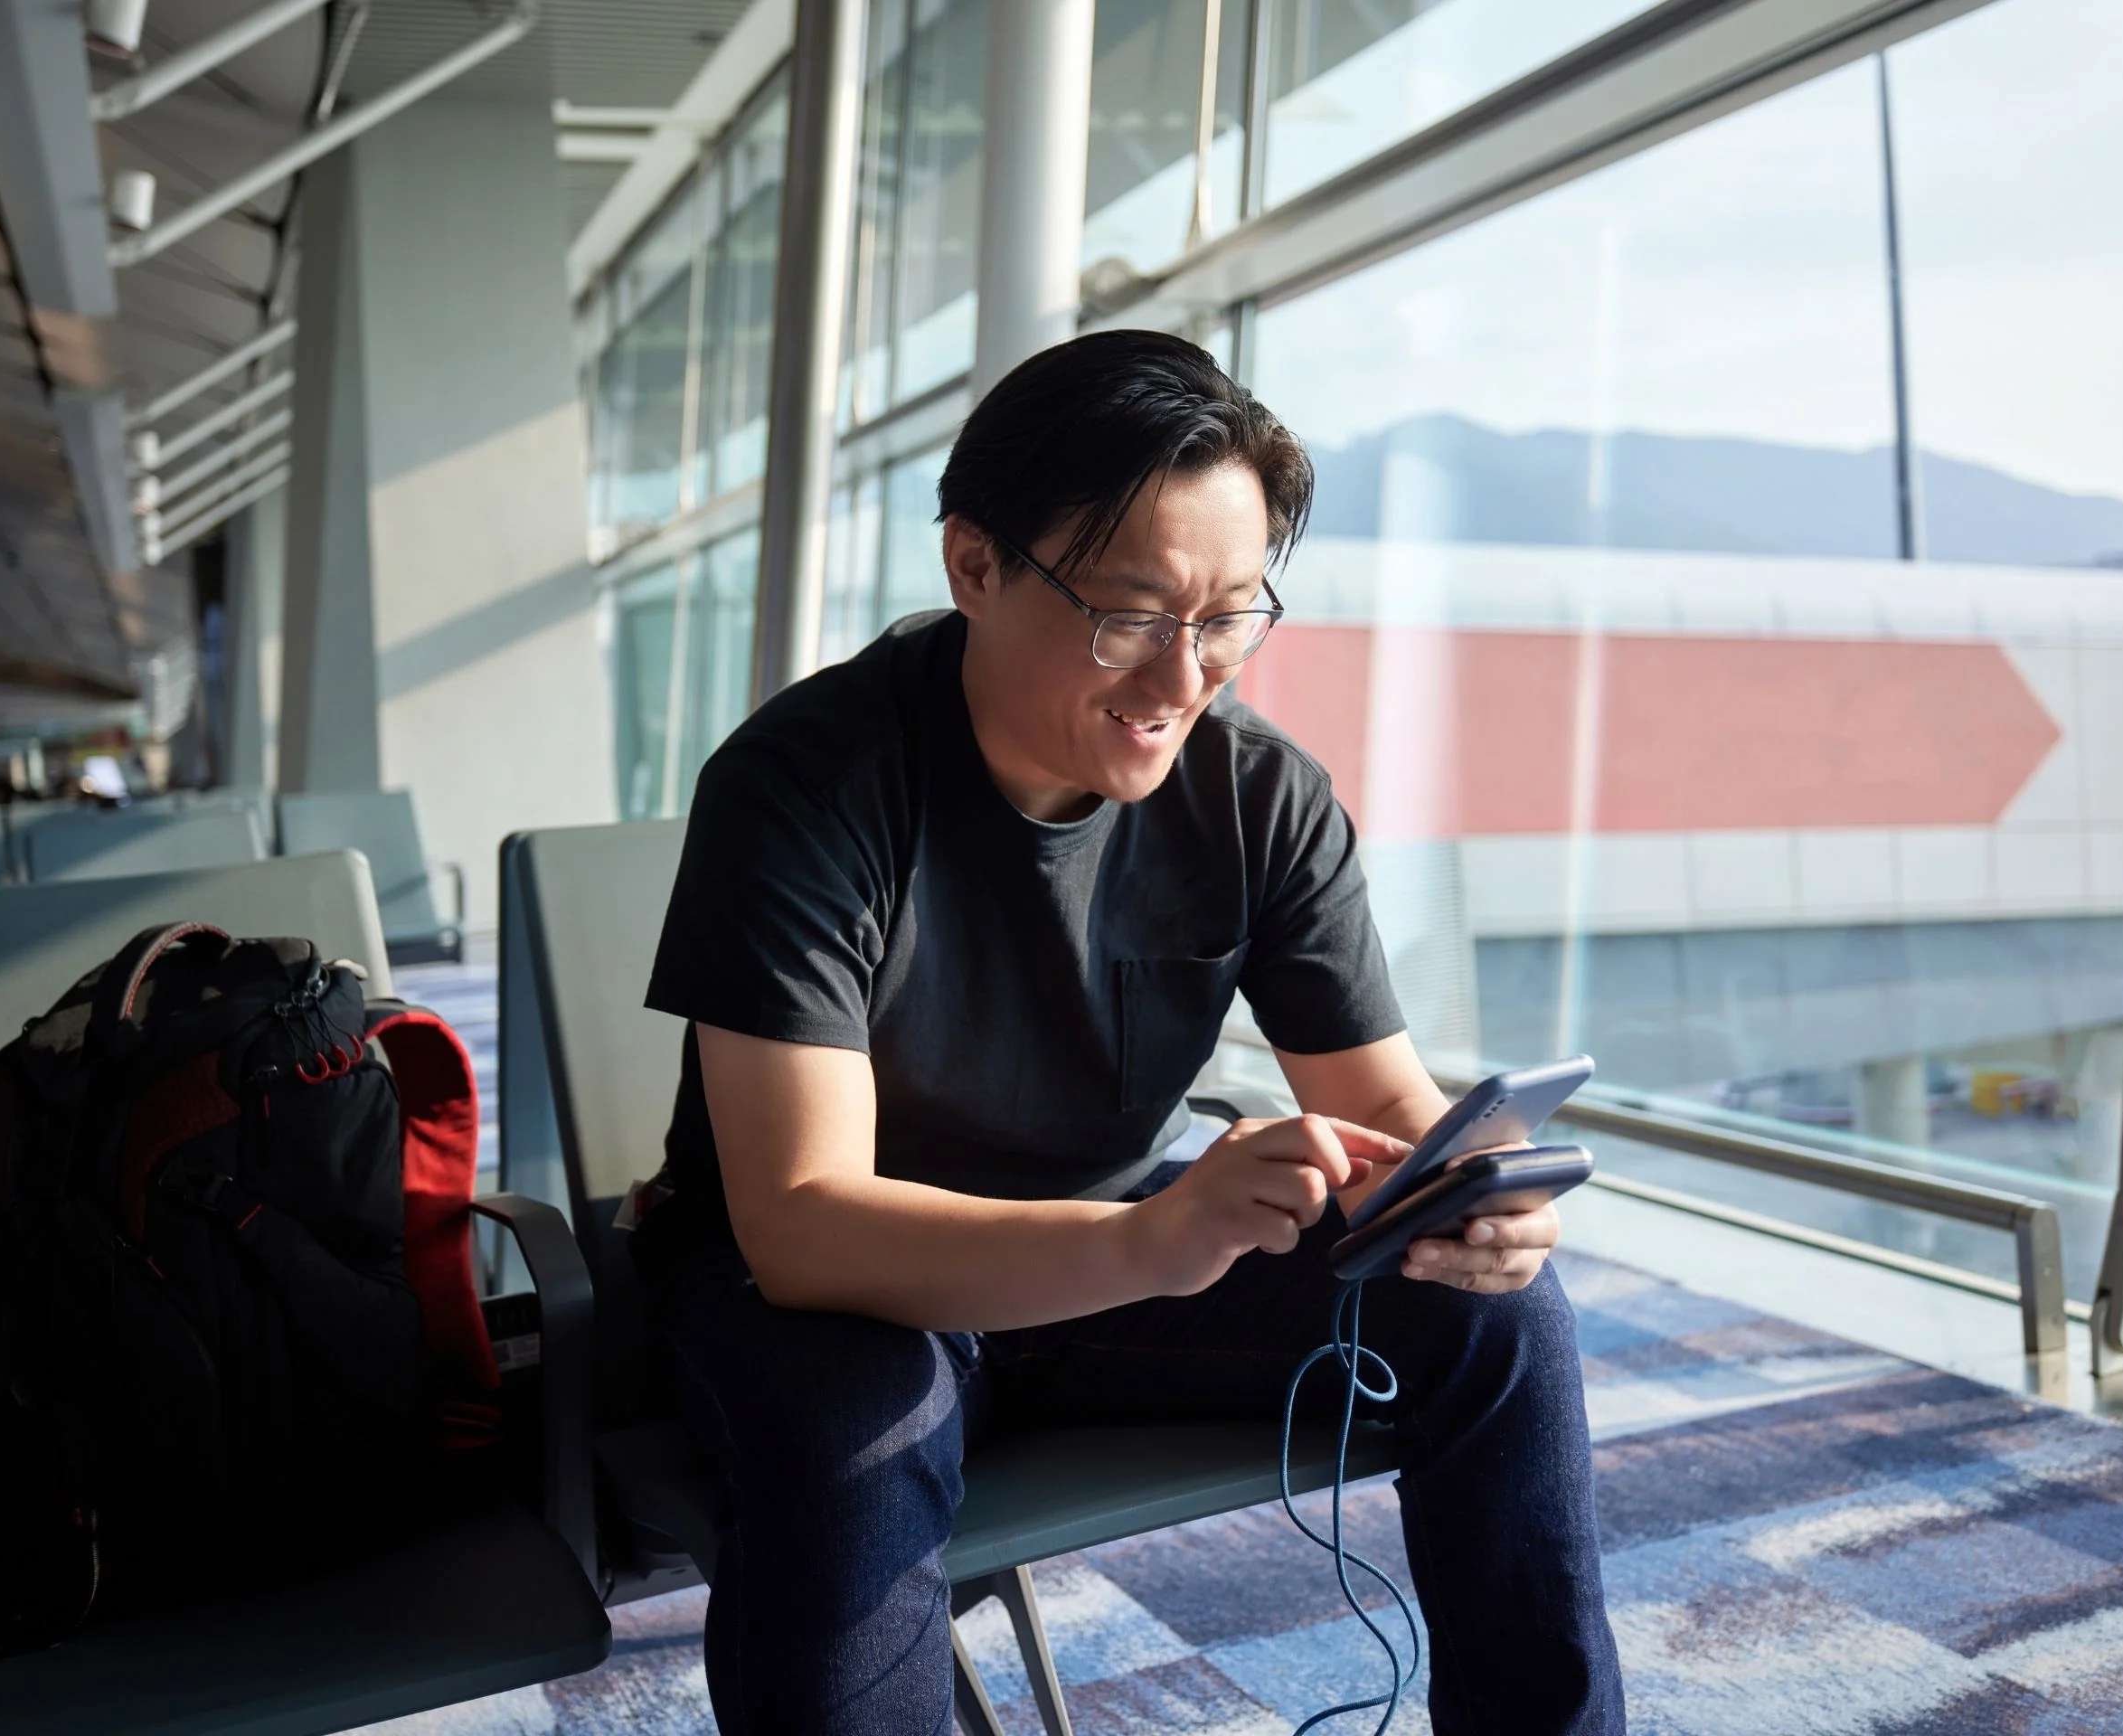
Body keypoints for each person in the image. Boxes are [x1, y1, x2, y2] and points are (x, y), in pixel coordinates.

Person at [635, 329, 1624, 1734]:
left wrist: (1474, 1196)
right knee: (849, 1437)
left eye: (1227, 617)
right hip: (853, 1287)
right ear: (974, 566)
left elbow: (1389, 1108)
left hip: (1120, 1244)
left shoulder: (1260, 795)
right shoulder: (806, 786)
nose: (1184, 678)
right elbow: (803, 1225)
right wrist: (1154, 1243)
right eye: (1133, 614)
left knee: (1504, 1315)